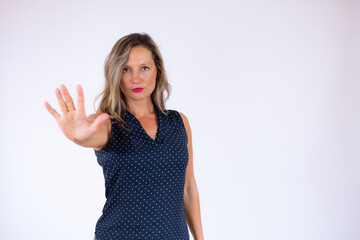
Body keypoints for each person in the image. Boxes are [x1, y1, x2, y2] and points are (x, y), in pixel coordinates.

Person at [44, 33, 204, 240]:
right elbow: (91, 134)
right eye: (126, 69)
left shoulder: (179, 122)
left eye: (144, 68)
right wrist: (79, 135)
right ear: (115, 74)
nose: (135, 78)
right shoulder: (107, 123)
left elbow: (188, 187)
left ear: (157, 70)